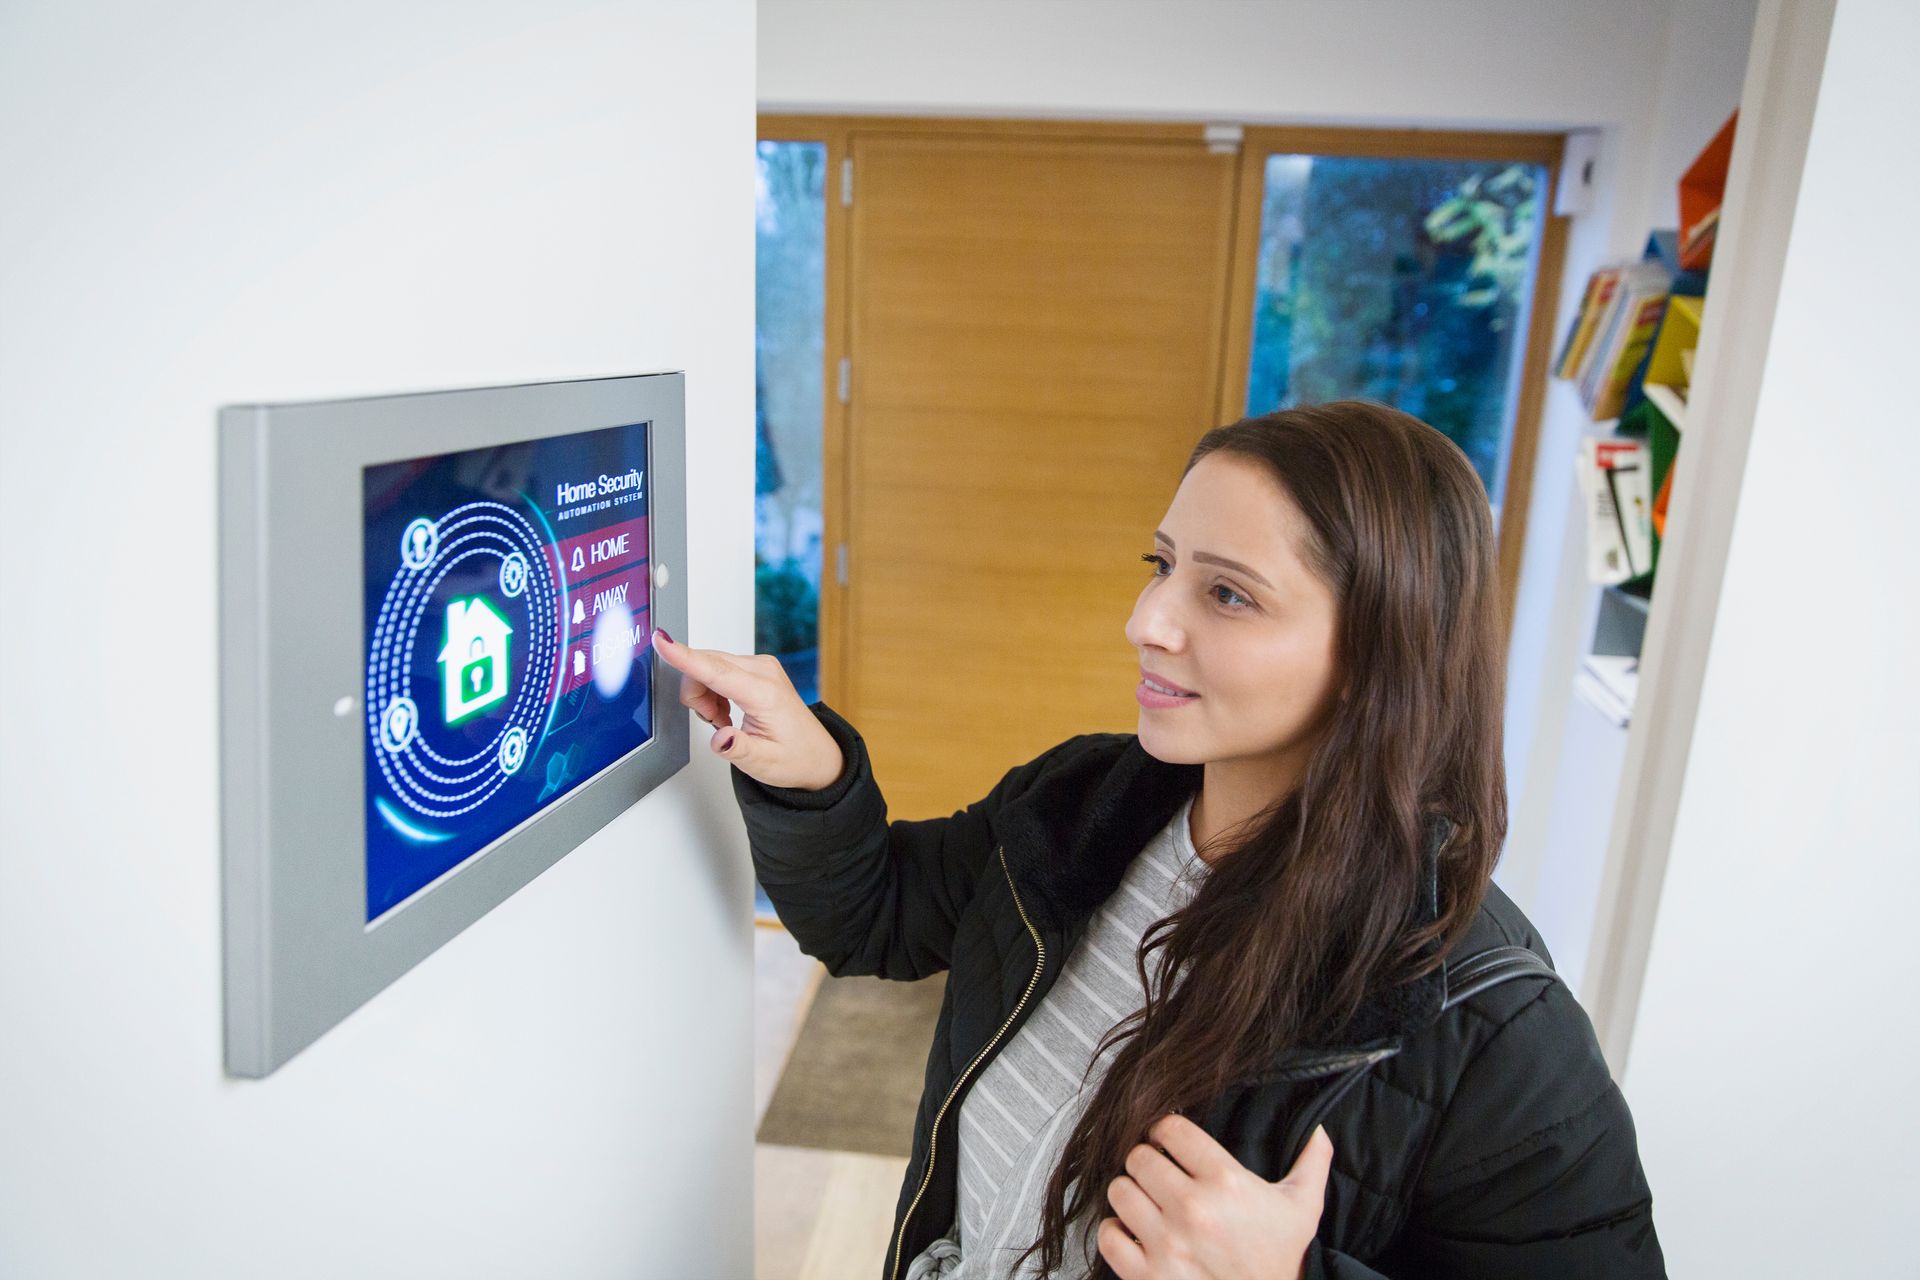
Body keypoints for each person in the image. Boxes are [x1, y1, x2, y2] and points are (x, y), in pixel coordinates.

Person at [651, 401, 1665, 1280]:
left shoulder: (1497, 1033)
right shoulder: (1089, 797)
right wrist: (810, 772)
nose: (1146, 619)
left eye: (1226, 592)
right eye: (1163, 564)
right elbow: (877, 915)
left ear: (1377, 654)